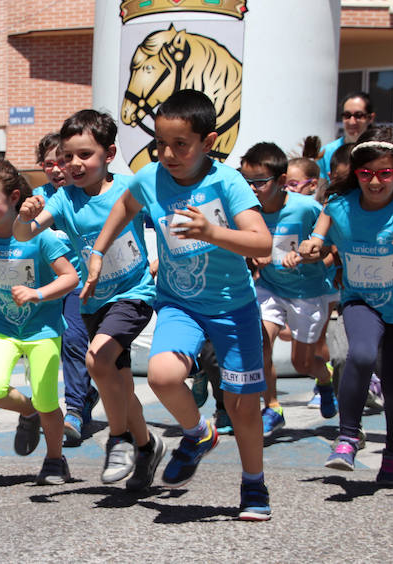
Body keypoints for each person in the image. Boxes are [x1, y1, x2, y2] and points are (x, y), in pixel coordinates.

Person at [87, 89, 273, 520]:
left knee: (243, 406)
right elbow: (125, 206)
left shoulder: (226, 182)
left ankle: (253, 485)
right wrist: (98, 250)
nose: (168, 154)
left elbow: (261, 241)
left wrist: (212, 232)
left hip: (233, 307)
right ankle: (197, 434)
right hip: (179, 303)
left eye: (180, 145)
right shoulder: (149, 177)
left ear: (207, 143)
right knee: (162, 375)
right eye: (160, 144)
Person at [15, 110, 162, 490]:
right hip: (93, 301)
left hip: (134, 294)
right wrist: (23, 216)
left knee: (97, 358)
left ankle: (119, 441)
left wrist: (162, 258)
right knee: (120, 386)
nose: (74, 164)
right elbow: (25, 234)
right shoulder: (64, 199)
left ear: (109, 154)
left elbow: (164, 219)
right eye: (67, 157)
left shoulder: (129, 189)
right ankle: (147, 447)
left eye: (84, 155)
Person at [300, 126, 393, 484]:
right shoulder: (342, 205)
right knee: (361, 354)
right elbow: (328, 214)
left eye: (385, 173)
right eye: (366, 173)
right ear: (356, 174)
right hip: (360, 301)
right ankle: (348, 438)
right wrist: (316, 243)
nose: (376, 182)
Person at [0, 159, 78, 485]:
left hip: (42, 329)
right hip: (2, 327)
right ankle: (29, 412)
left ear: (14, 197)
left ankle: (55, 460)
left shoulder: (38, 237)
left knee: (47, 400)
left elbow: (69, 278)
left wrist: (37, 294)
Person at [240, 142, 337, 440]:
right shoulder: (246, 211)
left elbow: (332, 247)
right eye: (247, 183)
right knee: (259, 344)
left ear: (281, 181)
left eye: (260, 182)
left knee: (303, 363)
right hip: (269, 287)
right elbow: (239, 246)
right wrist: (252, 256)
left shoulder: (305, 208)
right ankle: (272, 407)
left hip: (309, 292)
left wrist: (313, 253)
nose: (253, 189)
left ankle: (325, 381)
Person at [28, 133, 99, 446]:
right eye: (48, 164)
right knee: (43, 347)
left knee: (73, 340)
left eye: (61, 161)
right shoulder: (37, 197)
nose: (56, 169)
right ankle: (81, 395)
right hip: (45, 286)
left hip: (79, 284)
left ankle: (74, 410)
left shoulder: (83, 194)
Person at [317, 92, 376, 181]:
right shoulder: (326, 152)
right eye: (347, 115)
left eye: (358, 115)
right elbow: (322, 189)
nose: (352, 122)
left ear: (371, 118)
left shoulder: (379, 151)